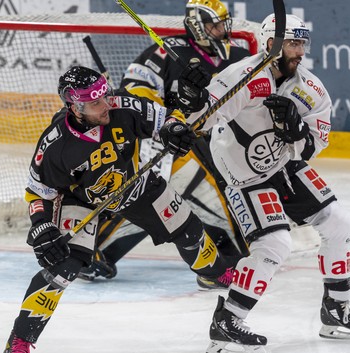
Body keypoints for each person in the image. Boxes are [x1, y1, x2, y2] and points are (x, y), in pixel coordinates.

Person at [2, 66, 236, 353]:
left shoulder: (122, 107)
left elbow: (166, 118)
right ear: (75, 106)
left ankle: (214, 273)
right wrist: (42, 225)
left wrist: (174, 129)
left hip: (132, 184)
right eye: (96, 102)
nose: (106, 104)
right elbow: (38, 191)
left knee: (190, 232)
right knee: (65, 266)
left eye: (106, 95)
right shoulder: (55, 144)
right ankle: (20, 340)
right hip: (81, 202)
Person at [181, 14, 350, 353]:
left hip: (284, 164)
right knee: (274, 242)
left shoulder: (310, 88)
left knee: (340, 223)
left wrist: (296, 133)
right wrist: (192, 96)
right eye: (292, 42)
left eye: (302, 43)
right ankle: (227, 322)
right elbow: (203, 119)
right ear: (270, 43)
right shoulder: (242, 78)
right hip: (244, 175)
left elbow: (316, 143)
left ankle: (336, 309)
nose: (299, 51)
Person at [78, 0, 251, 289]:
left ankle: (225, 256)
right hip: (174, 142)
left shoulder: (239, 56)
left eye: (224, 23)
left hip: (221, 143)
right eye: (215, 25)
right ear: (197, 26)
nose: (222, 30)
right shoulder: (166, 52)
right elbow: (136, 90)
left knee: (175, 201)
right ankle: (226, 260)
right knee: (151, 197)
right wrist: (169, 119)